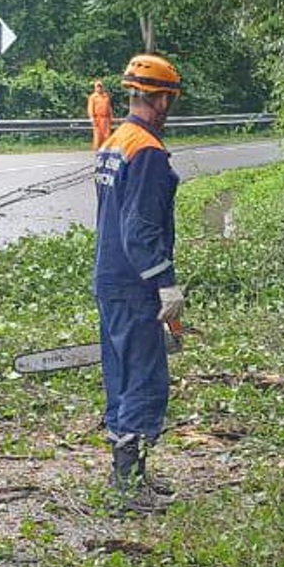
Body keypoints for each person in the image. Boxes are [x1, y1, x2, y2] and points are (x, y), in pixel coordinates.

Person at [92, 54, 186, 511]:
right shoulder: (146, 150)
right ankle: (128, 485)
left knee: (121, 375)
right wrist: (164, 283)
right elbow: (140, 229)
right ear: (163, 99)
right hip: (133, 284)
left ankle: (129, 475)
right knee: (145, 380)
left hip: (109, 275)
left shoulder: (116, 140)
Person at [86, 79, 113, 149]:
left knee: (107, 135)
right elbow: (90, 108)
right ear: (95, 88)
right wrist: (92, 118)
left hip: (106, 119)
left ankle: (106, 150)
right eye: (98, 86)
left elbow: (109, 108)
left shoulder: (106, 96)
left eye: (100, 86)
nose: (99, 88)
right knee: (98, 135)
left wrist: (111, 118)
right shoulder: (93, 97)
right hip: (98, 119)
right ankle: (97, 151)